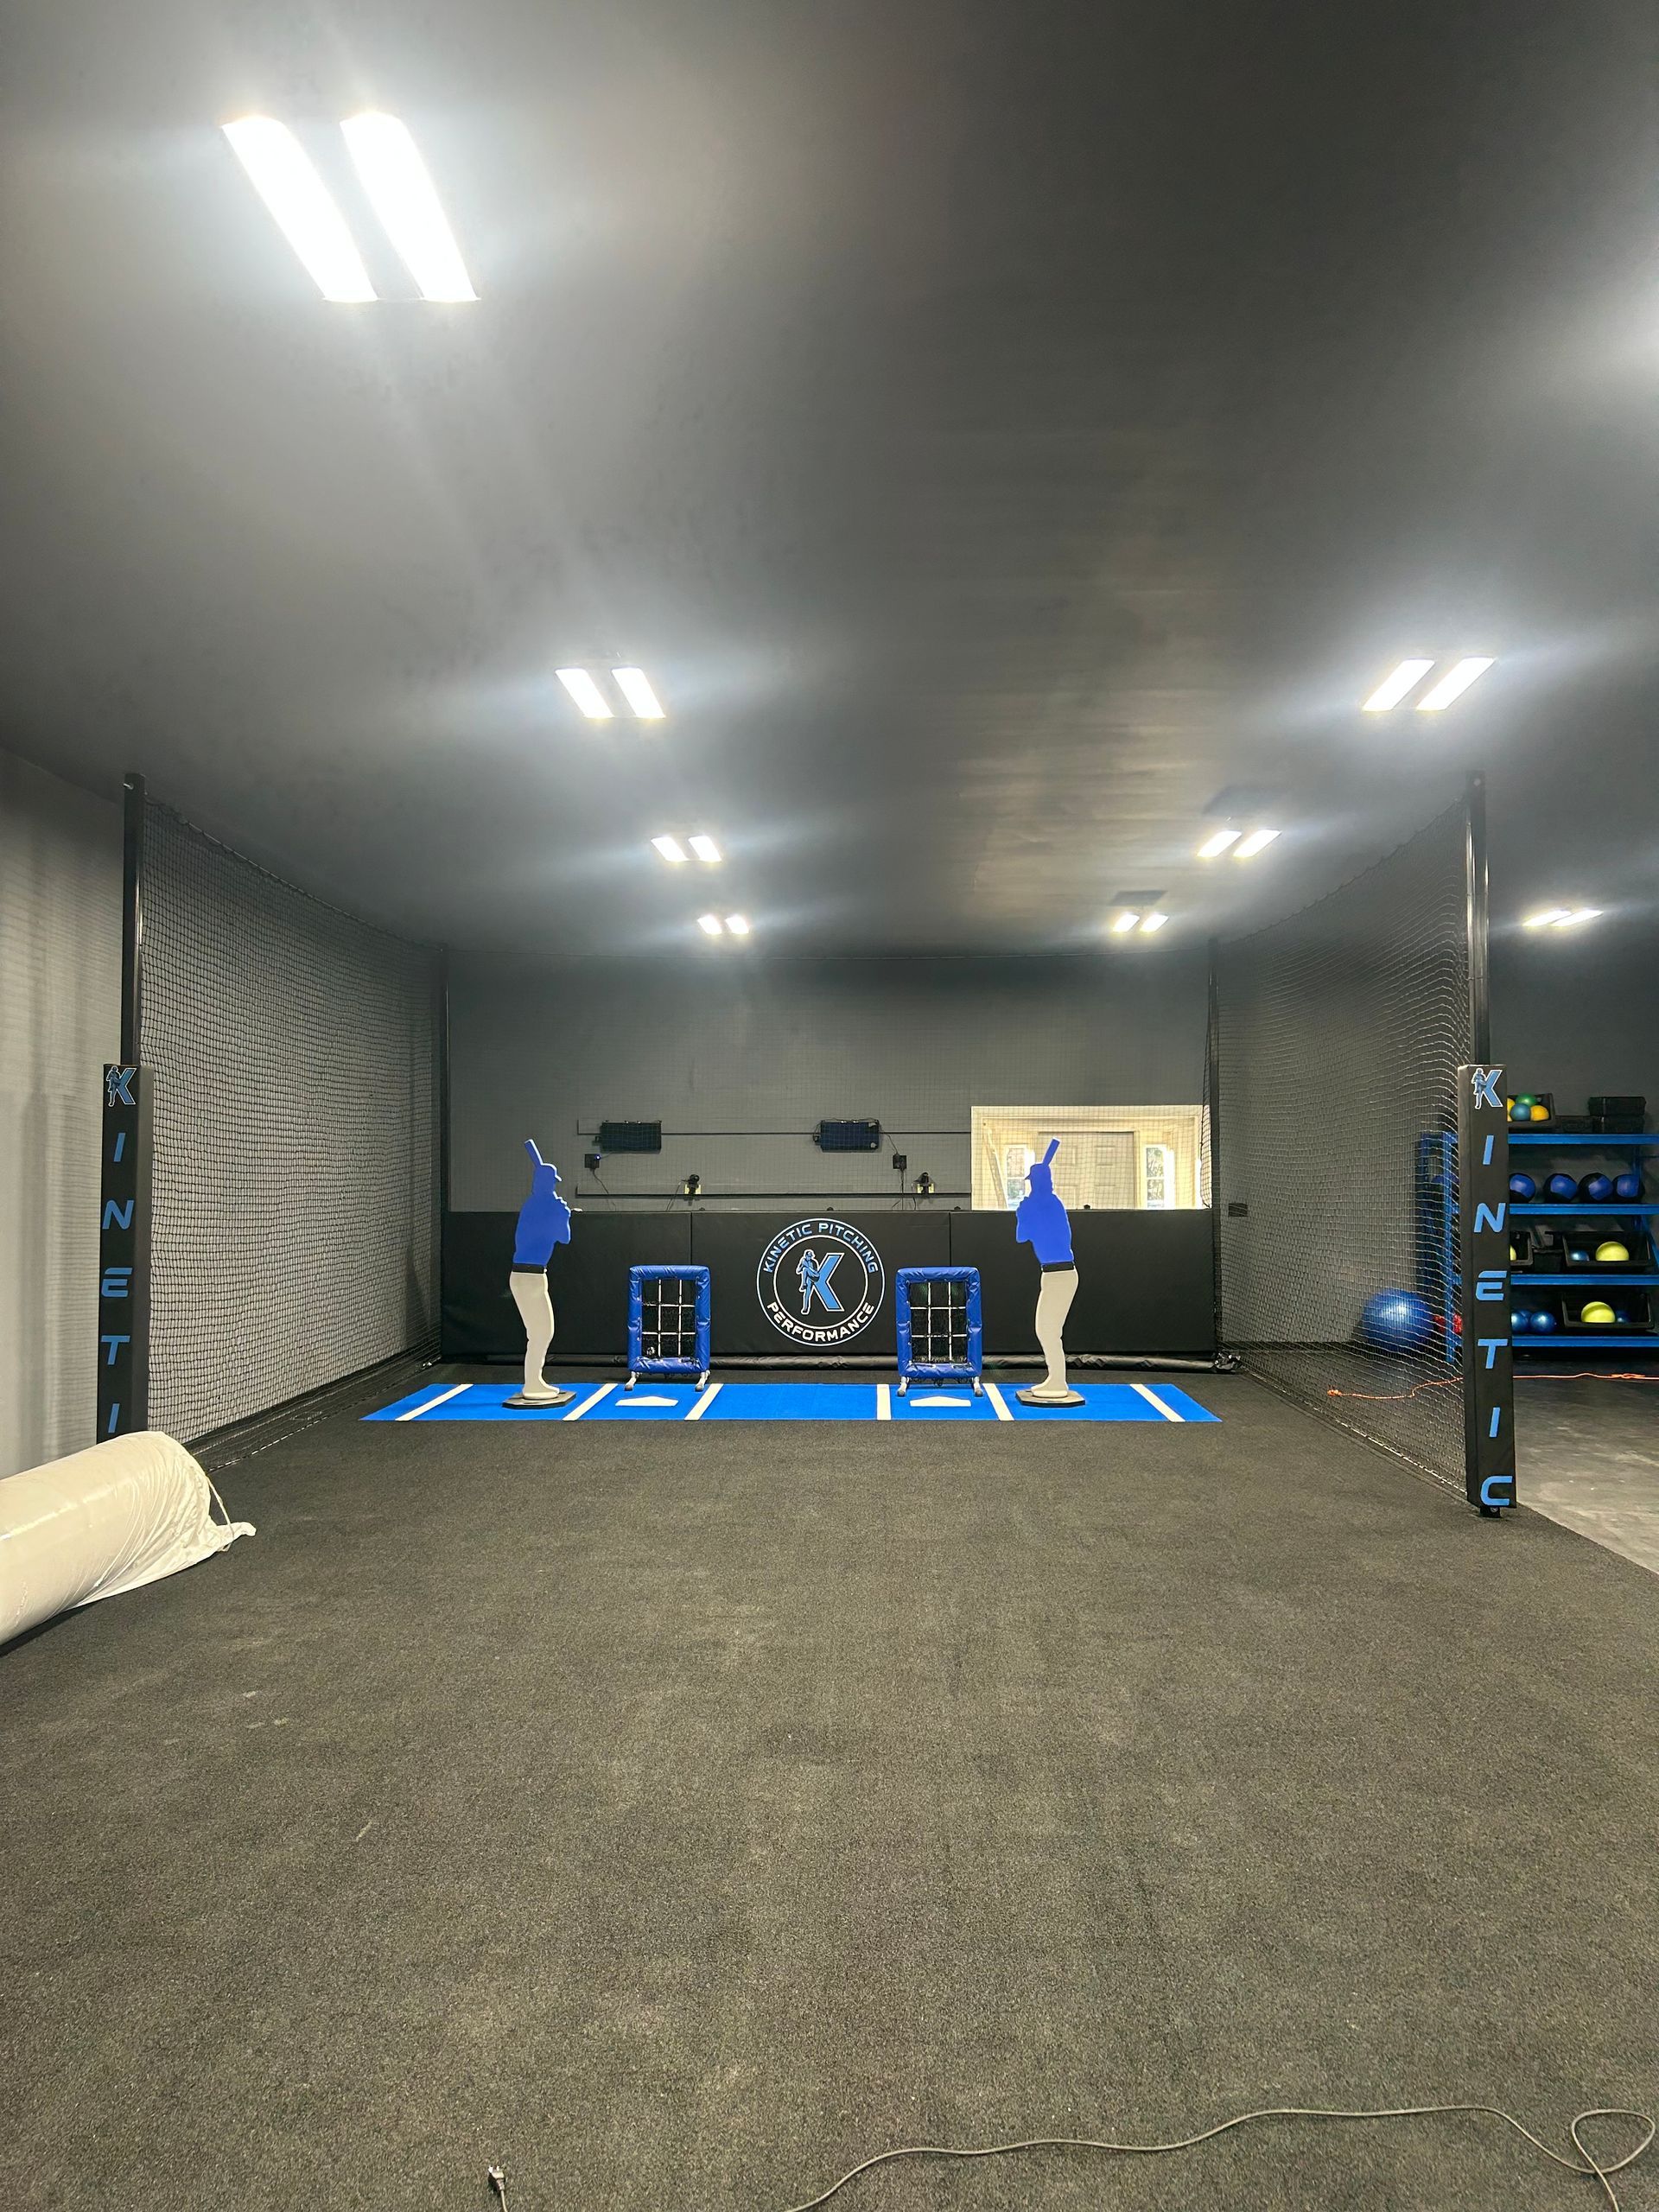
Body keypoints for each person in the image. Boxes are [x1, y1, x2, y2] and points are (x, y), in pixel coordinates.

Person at [505, 1141, 575, 1408]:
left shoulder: (538, 1203)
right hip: (529, 1277)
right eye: (553, 1183)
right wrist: (563, 1215)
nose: (555, 1186)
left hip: (530, 1275)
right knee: (541, 1332)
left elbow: (561, 1237)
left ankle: (536, 1379)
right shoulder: (542, 1205)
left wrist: (561, 1214)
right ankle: (531, 1383)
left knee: (542, 1332)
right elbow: (564, 1237)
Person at [1014, 1139, 1084, 1405]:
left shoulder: (1051, 1204)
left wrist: (1027, 1211)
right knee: (1044, 1329)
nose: (1032, 1184)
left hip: (1062, 1275)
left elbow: (1038, 1230)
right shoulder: (1038, 1204)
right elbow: (1022, 1237)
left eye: (1035, 1180)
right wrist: (1022, 1215)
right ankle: (1054, 1377)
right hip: (1052, 1275)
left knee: (1048, 1330)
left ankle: (1059, 1381)